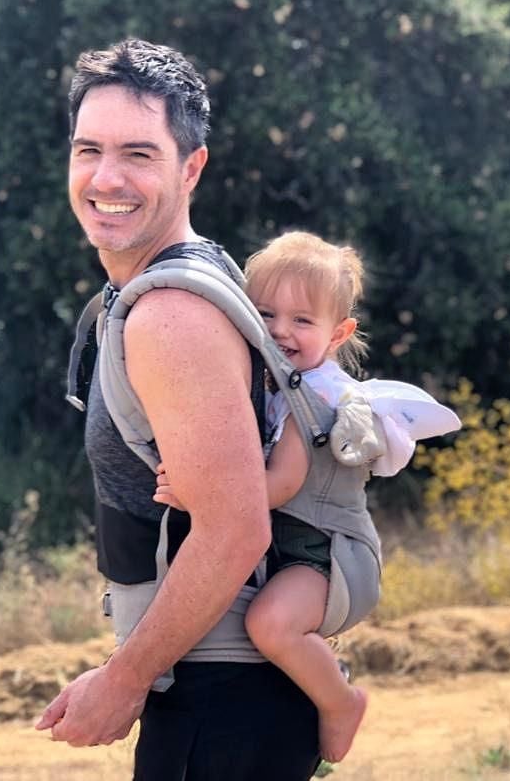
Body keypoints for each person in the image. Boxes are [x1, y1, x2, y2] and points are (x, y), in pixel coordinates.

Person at [36, 38, 322, 779]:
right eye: (87, 149)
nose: (105, 177)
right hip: (229, 692)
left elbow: (233, 528)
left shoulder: (169, 312)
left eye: (138, 153)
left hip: (221, 694)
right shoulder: (199, 273)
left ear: (190, 167)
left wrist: (126, 675)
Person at [152, 230, 461, 763]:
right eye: (266, 313)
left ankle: (340, 699)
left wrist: (196, 496)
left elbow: (280, 484)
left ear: (339, 332)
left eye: (302, 320)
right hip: (291, 552)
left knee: (268, 624)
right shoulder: (267, 384)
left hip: (328, 554)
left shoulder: (317, 397)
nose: (280, 331)